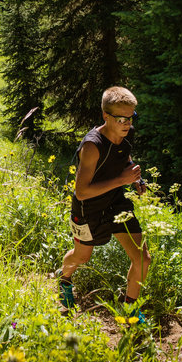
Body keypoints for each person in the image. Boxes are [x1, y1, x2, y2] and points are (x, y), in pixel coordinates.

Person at [58, 86, 151, 316]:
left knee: (142, 258)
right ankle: (64, 280)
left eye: (131, 117)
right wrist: (121, 179)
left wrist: (134, 177)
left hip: (116, 203)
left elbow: (124, 156)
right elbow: (81, 192)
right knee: (82, 256)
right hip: (88, 209)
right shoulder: (92, 146)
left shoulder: (126, 133)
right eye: (121, 119)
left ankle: (131, 311)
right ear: (105, 116)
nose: (127, 124)